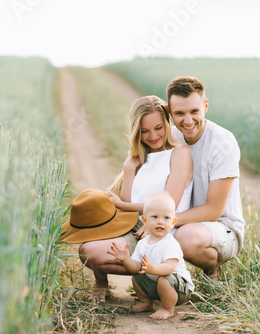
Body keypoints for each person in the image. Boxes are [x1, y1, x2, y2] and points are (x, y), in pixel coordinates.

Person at [77, 95, 193, 303]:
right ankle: (103, 283)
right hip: (133, 226)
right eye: (144, 131)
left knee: (96, 252)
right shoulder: (138, 157)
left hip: (159, 227)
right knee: (87, 251)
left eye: (158, 127)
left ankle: (152, 282)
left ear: (167, 123)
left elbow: (170, 203)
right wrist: (129, 170)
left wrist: (127, 207)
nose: (153, 136)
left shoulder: (179, 152)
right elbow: (126, 208)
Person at [166, 76, 246, 280]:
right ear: (169, 112)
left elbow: (213, 210)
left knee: (186, 239)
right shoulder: (170, 138)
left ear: (206, 106)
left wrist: (166, 221)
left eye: (194, 111)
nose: (188, 120)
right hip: (179, 222)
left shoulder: (223, 143)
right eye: (179, 113)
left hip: (223, 227)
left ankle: (212, 271)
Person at [108, 192, 194, 320]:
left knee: (164, 279)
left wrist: (151, 268)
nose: (160, 222)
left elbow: (169, 268)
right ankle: (146, 302)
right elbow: (135, 267)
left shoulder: (170, 243)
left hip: (179, 290)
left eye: (166, 218)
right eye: (154, 217)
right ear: (145, 220)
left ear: (173, 222)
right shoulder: (143, 243)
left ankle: (168, 308)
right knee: (136, 275)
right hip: (157, 286)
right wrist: (125, 259)